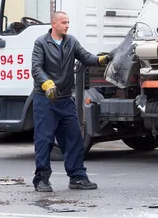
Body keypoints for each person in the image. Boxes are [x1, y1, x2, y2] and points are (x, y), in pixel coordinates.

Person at [31, 11, 111, 192]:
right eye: (64, 22)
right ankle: (41, 180)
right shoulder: (41, 43)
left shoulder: (71, 42)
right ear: (53, 23)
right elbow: (36, 68)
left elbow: (85, 57)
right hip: (45, 100)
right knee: (44, 140)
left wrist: (101, 60)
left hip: (65, 99)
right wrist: (47, 84)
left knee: (74, 138)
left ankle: (77, 177)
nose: (67, 25)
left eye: (68, 22)